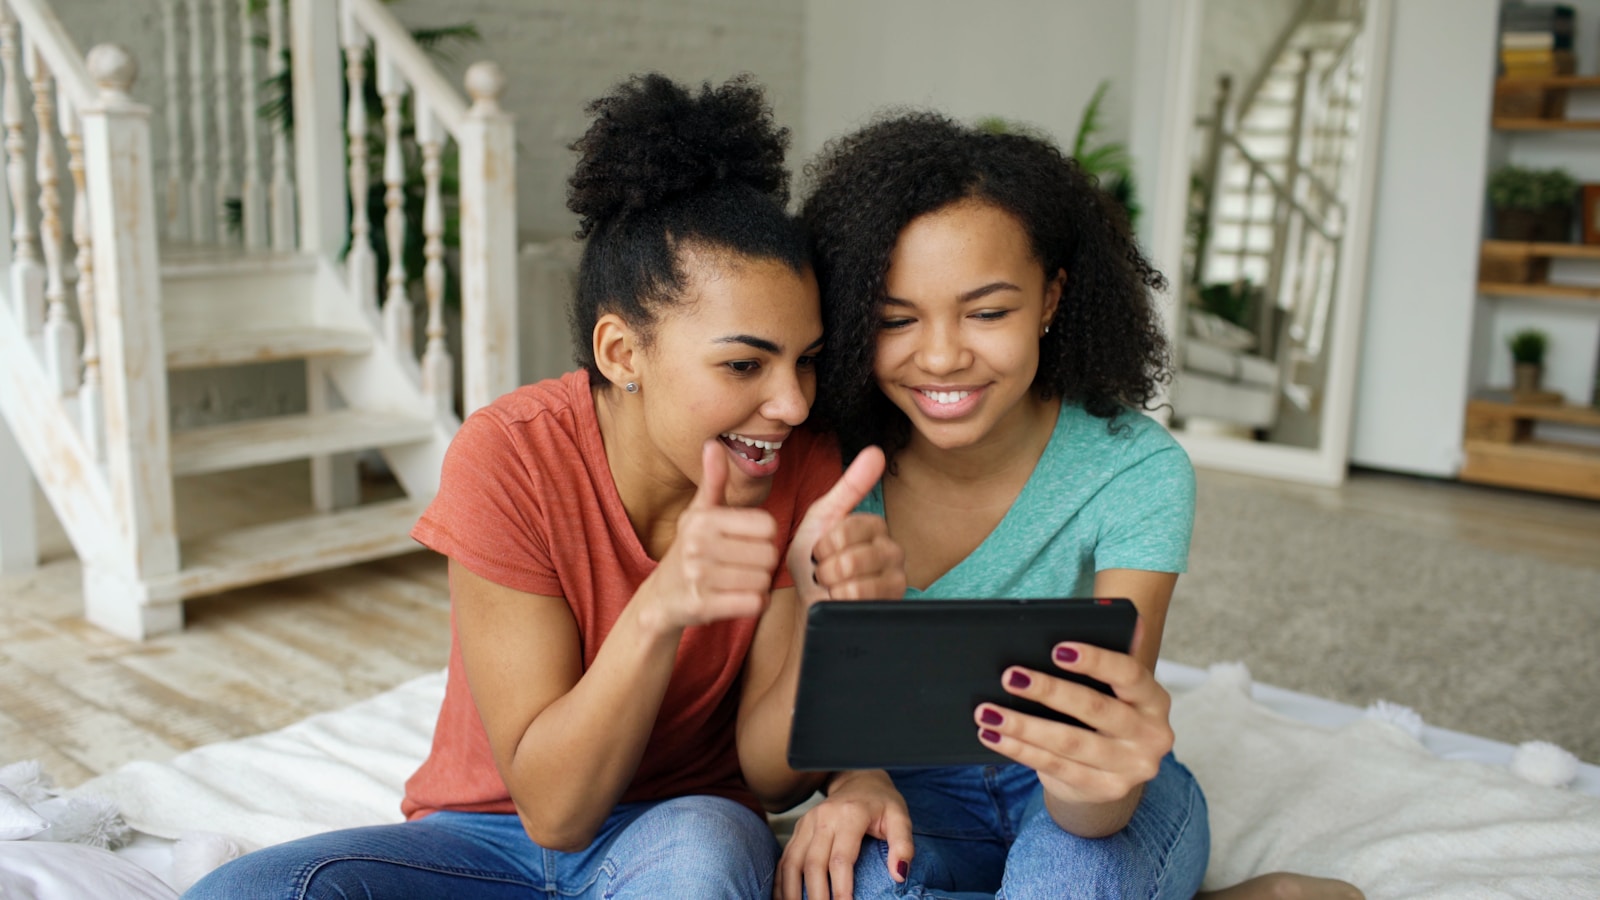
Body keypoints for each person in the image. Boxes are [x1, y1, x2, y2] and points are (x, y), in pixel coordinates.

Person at [184, 73, 902, 900]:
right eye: (745, 363)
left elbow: (772, 782)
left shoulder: (800, 468)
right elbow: (554, 814)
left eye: (805, 360)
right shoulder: (510, 457)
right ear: (620, 353)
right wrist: (666, 603)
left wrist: (827, 610)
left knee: (705, 848)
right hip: (483, 837)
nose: (791, 402)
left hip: (681, 829)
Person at [777, 112, 1362, 900]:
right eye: (895, 319)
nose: (943, 355)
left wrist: (1090, 793)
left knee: (1067, 878)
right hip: (911, 787)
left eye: (988, 312)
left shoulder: (1135, 470)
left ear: (1051, 298)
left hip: (1085, 795)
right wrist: (857, 777)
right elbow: (810, 695)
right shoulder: (825, 460)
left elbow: (1102, 761)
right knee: (854, 881)